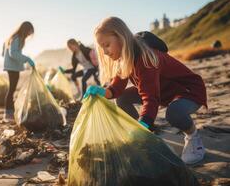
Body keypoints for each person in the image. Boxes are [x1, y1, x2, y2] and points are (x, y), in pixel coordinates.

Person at [84, 17, 207, 165]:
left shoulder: (145, 58)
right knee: (123, 97)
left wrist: (143, 125)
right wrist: (102, 92)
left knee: (174, 113)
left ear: (121, 37)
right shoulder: (124, 59)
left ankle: (193, 136)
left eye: (107, 45)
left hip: (188, 91)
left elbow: (150, 98)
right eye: (101, 47)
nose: (104, 52)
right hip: (163, 92)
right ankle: (147, 136)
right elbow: (116, 89)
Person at [3, 21, 35, 122]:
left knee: (12, 89)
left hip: (12, 66)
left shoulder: (14, 37)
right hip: (12, 67)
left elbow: (5, 51)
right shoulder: (16, 38)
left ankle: (10, 111)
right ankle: (7, 113)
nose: (29, 34)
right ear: (25, 30)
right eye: (29, 32)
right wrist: (27, 59)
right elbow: (13, 53)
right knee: (11, 89)